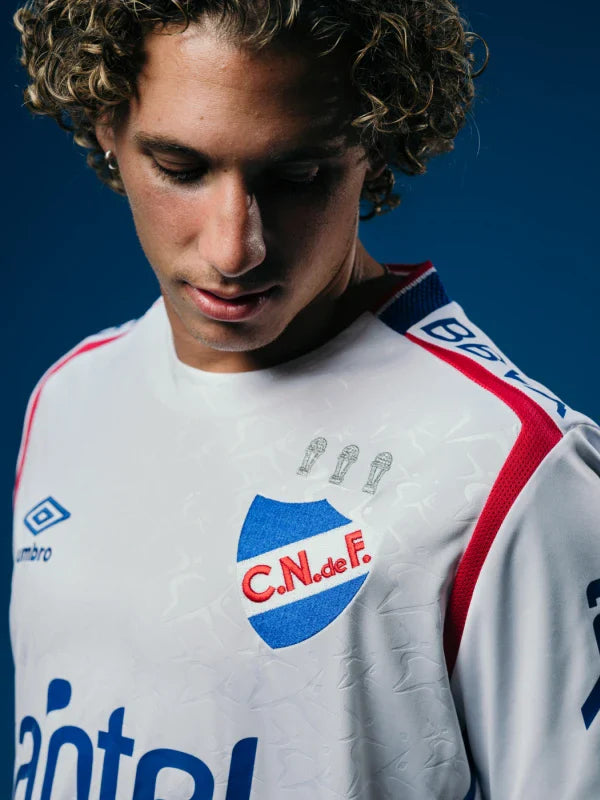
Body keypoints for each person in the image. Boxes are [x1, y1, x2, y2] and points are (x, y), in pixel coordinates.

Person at [10, 1, 600, 798]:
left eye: (295, 179)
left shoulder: (515, 466)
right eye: (180, 168)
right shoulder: (69, 396)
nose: (234, 248)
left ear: (376, 144)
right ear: (106, 122)